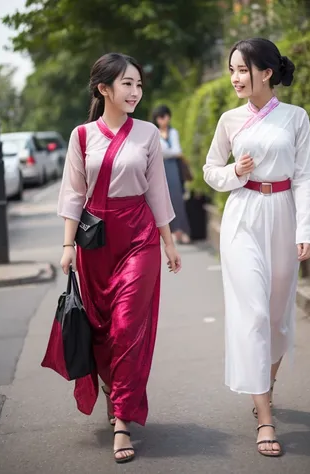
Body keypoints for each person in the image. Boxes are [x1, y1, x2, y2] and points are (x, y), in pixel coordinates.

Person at [58, 53, 182, 464]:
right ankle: (116, 389)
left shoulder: (148, 134)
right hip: (94, 241)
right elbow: (74, 194)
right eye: (127, 84)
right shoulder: (81, 136)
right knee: (102, 330)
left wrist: (168, 241)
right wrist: (66, 247)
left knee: (128, 326)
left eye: (139, 85)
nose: (135, 92)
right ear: (104, 89)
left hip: (139, 236)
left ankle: (122, 419)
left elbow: (157, 190)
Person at [203, 38, 310, 457]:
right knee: (252, 312)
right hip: (243, 217)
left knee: (276, 318)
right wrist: (235, 170)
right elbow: (211, 170)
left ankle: (263, 386)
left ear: (266, 72)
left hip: (284, 216)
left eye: (242, 69)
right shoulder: (230, 120)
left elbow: (306, 175)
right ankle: (265, 417)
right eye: (231, 69)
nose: (234, 77)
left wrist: (305, 228)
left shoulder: (295, 118)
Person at [152, 105, 192, 244]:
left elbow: (176, 150)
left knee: (178, 199)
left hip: (174, 168)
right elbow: (161, 153)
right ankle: (173, 232)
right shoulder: (154, 133)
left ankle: (182, 230)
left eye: (165, 116)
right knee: (164, 201)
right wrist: (170, 152)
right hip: (161, 169)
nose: (163, 119)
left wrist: (167, 152)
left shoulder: (173, 132)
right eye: (160, 117)